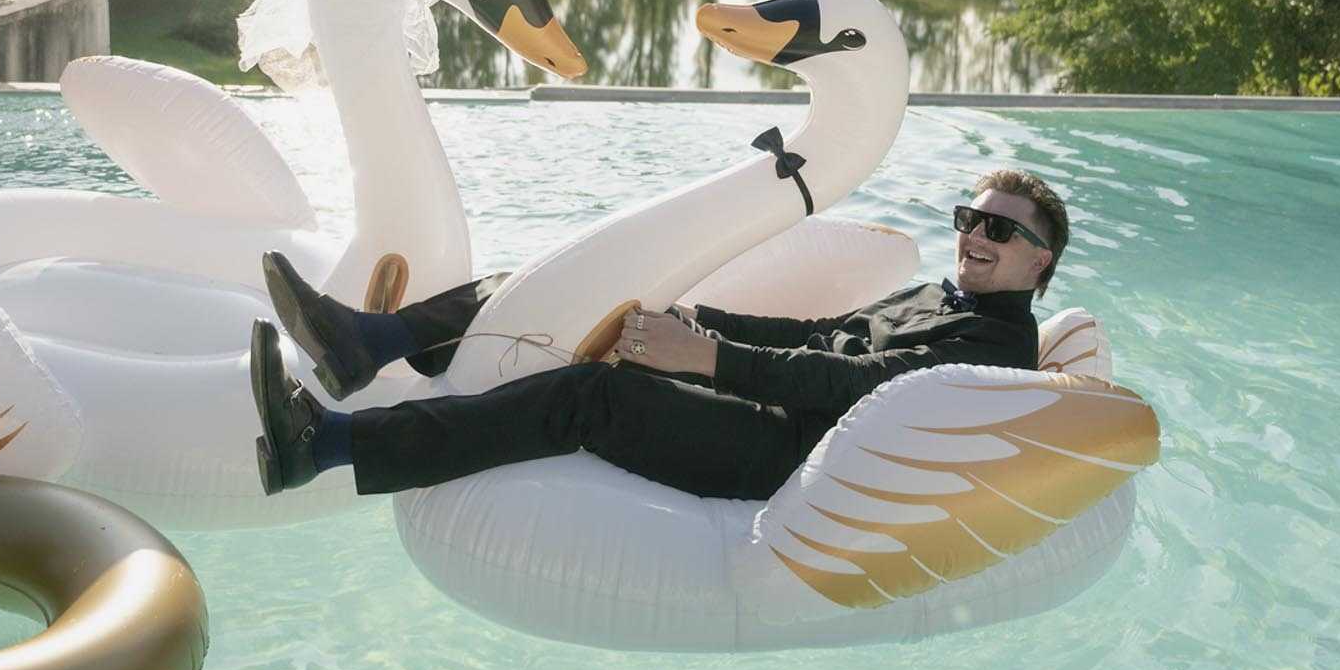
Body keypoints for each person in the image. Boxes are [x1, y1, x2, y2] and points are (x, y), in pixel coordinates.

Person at [250, 168, 1070, 502]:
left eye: (1000, 229)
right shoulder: (936, 291)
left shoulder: (999, 348)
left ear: (1041, 264)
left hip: (794, 454)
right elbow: (822, 336)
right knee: (593, 284)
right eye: (970, 218)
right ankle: (377, 339)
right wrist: (698, 320)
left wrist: (706, 358)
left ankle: (323, 446)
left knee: (591, 398)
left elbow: (854, 388)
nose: (975, 235)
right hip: (771, 404)